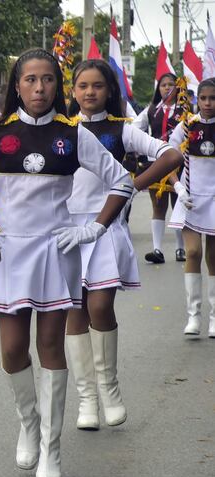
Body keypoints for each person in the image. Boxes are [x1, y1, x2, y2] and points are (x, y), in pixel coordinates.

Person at [0, 48, 135, 477]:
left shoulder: (73, 135)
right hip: (8, 252)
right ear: (16, 85)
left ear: (58, 85)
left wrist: (94, 229)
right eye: (30, 80)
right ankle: (29, 424)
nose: (39, 88)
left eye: (48, 80)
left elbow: (122, 181)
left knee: (51, 345)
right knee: (13, 350)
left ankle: (51, 450)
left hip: (58, 250)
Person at [65, 60, 183, 431]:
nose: (89, 92)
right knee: (73, 310)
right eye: (82, 86)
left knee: (100, 305)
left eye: (97, 86)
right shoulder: (61, 130)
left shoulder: (122, 130)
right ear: (72, 91)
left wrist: (135, 184)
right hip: (65, 229)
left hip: (104, 227)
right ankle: (86, 399)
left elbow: (172, 154)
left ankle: (108, 388)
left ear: (110, 91)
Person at [168, 79, 215, 338]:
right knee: (193, 252)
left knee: (214, 257)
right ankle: (193, 316)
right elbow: (167, 157)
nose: (208, 103)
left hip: (214, 198)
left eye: (213, 98)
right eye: (204, 98)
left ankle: (214, 319)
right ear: (197, 99)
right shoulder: (187, 126)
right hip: (191, 197)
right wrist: (177, 187)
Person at [132, 73, 188, 263]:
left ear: (177, 87)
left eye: (170, 84)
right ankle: (157, 249)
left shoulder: (185, 111)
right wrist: (142, 148)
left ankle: (181, 249)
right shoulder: (151, 110)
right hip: (155, 162)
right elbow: (134, 128)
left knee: (178, 205)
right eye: (163, 85)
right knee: (158, 206)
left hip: (179, 163)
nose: (166, 88)